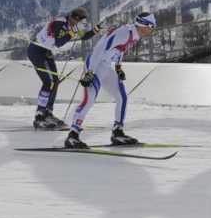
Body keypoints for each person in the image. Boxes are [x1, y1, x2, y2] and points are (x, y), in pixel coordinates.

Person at [65, 12, 157, 149]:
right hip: (95, 65)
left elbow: (119, 51)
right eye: (151, 26)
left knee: (122, 97)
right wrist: (90, 72)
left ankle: (118, 132)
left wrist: (119, 69)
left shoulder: (133, 34)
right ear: (143, 24)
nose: (152, 30)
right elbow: (99, 49)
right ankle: (73, 135)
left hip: (106, 67)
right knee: (89, 100)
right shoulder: (124, 33)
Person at [27, 7, 100, 129]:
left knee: (55, 81)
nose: (82, 24)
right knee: (48, 82)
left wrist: (96, 30)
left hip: (46, 51)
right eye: (81, 22)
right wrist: (74, 31)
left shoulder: (73, 25)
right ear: (74, 19)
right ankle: (39, 116)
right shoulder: (59, 23)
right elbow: (59, 42)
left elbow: (84, 36)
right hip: (36, 50)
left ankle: (48, 113)